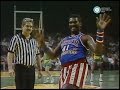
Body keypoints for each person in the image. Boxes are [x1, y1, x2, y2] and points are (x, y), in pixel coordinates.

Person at [39, 13, 111, 89]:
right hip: (64, 69)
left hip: (78, 66)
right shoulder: (64, 40)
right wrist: (43, 44)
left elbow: (98, 52)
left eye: (75, 22)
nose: (72, 24)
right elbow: (52, 55)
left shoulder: (85, 37)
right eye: (70, 22)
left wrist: (100, 30)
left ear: (80, 24)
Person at [7, 18, 42, 89]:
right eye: (27, 26)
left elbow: (37, 55)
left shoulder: (34, 40)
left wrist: (40, 69)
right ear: (22, 27)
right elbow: (10, 54)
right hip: (20, 69)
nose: (29, 28)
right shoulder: (15, 38)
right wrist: (10, 68)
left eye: (31, 27)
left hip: (31, 69)